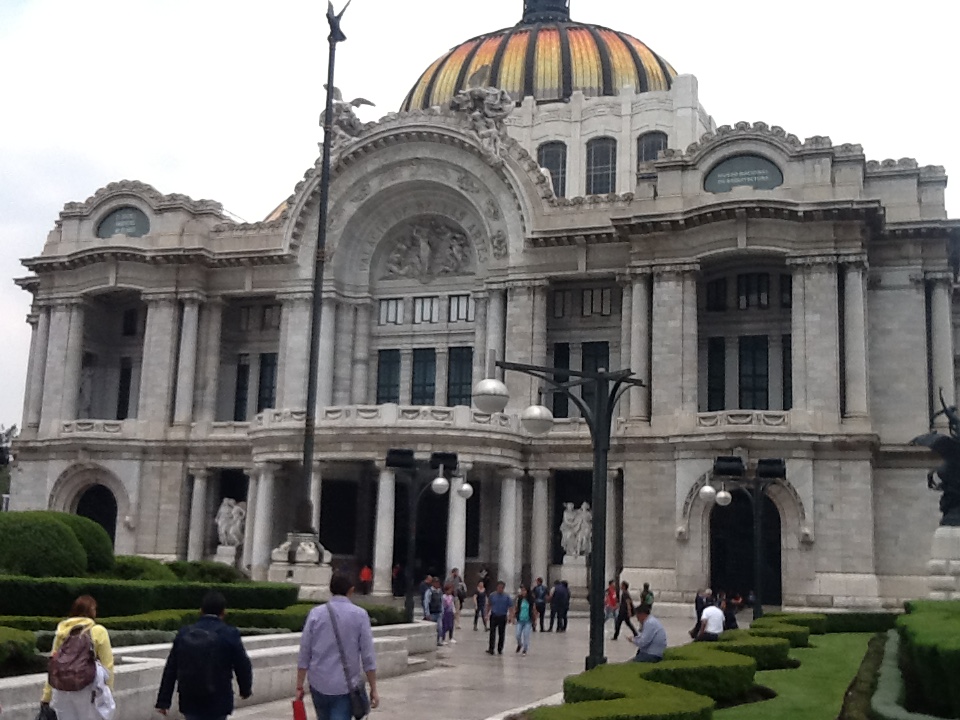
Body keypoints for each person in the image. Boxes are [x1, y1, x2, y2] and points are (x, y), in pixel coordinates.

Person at [156, 590, 251, 720]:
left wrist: (163, 701)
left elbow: (171, 668)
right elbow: (242, 664)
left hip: (190, 699)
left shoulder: (184, 633)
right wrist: (245, 689)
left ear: (201, 611)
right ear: (223, 612)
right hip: (218, 700)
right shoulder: (229, 634)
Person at [296, 573, 380, 720]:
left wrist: (299, 685)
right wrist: (373, 688)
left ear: (330, 589)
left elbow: (305, 652)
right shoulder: (360, 615)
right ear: (351, 590)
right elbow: (368, 656)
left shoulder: (315, 614)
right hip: (345, 685)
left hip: (318, 683)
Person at [42, 595, 114, 720]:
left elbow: (53, 665)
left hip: (62, 690)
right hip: (88, 688)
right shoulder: (98, 631)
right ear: (92, 611)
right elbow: (108, 665)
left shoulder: (62, 631)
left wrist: (46, 696)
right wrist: (108, 691)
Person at [485, 581, 511, 655]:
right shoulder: (492, 595)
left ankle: (500, 648)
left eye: (502, 588)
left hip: (502, 616)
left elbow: (510, 607)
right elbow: (489, 605)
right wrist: (486, 614)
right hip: (494, 615)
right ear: (497, 587)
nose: (500, 589)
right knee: (492, 633)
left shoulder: (507, 597)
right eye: (499, 587)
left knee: (501, 633)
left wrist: (510, 617)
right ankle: (491, 648)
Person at [510, 584, 537, 656]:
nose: (523, 592)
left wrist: (535, 620)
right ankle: (519, 644)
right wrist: (513, 617)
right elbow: (516, 608)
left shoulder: (531, 600)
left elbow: (534, 610)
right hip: (520, 620)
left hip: (528, 620)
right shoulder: (519, 599)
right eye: (522, 590)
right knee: (517, 634)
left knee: (526, 635)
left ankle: (525, 649)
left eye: (524, 590)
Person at [424, 578, 444, 646]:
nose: (437, 584)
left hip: (438, 612)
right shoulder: (429, 591)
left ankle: (438, 641)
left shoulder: (440, 591)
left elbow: (441, 602)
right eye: (436, 582)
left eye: (438, 582)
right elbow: (426, 602)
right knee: (432, 629)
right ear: (433, 583)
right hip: (432, 613)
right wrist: (427, 613)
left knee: (440, 628)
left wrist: (442, 611)